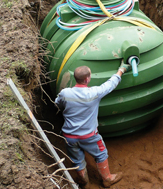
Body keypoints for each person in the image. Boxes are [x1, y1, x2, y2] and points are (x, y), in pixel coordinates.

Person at [55, 60, 131, 188]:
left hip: (69, 136)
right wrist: (121, 69)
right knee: (101, 154)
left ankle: (84, 182)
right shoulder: (94, 93)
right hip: (89, 136)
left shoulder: (65, 93)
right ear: (87, 79)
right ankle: (107, 179)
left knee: (77, 159)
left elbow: (58, 104)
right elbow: (110, 84)